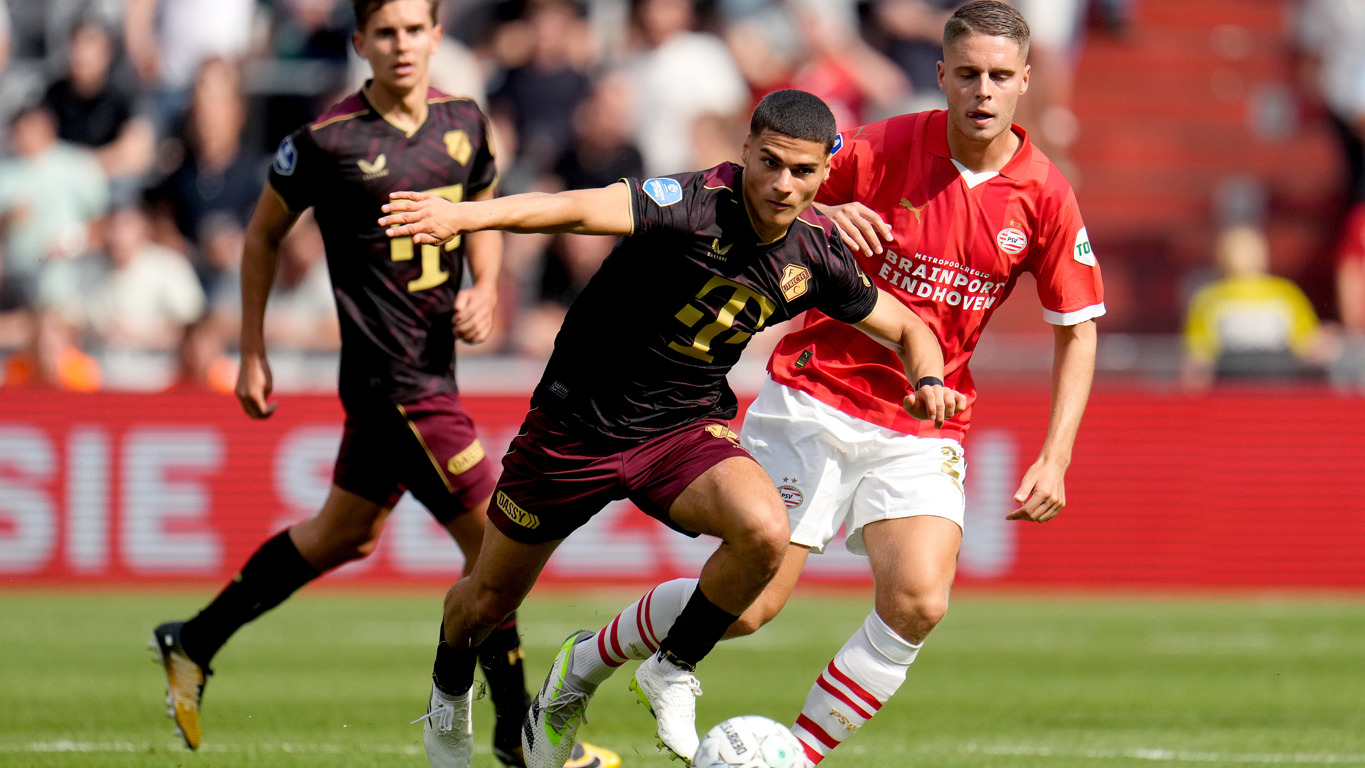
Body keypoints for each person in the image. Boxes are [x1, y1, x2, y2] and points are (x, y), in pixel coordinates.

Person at [529, 4, 1105, 767]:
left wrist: (1056, 455)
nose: (982, 90)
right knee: (750, 607)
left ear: (1025, 81)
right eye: (966, 73)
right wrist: (827, 206)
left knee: (918, 602)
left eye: (1000, 76)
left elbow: (1077, 327)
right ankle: (589, 659)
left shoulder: (1044, 195)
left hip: (922, 417)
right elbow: (764, 179)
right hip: (816, 396)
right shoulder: (891, 144)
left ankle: (794, 757)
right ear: (941, 75)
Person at [376, 88, 965, 768]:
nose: (781, 184)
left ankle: (670, 666)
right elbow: (572, 208)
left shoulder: (815, 257)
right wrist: (462, 217)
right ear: (743, 150)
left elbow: (908, 328)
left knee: (766, 529)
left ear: (825, 171)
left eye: (801, 171)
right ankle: (449, 695)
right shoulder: (686, 204)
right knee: (485, 600)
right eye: (768, 162)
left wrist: (927, 381)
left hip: (679, 431)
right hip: (573, 428)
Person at [147, 4, 616, 768]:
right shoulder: (328, 141)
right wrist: (251, 352)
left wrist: (488, 287)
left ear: (438, 36)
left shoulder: (466, 121)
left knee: (344, 533)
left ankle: (192, 639)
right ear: (360, 42)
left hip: (433, 373)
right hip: (391, 381)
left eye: (414, 29)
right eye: (385, 32)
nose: (401, 45)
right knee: (498, 549)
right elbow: (263, 235)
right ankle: (520, 740)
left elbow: (482, 214)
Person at [1182, 224, 1328, 389]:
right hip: (1245, 393)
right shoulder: (1210, 299)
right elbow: (1199, 359)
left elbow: (1197, 361)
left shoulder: (1208, 298)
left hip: (1271, 392)